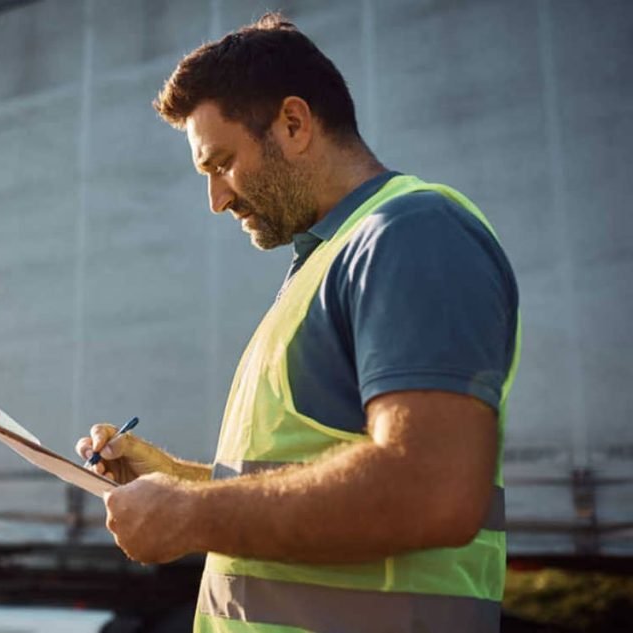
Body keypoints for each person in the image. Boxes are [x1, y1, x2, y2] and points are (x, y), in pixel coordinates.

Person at [75, 12, 520, 633]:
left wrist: (192, 515)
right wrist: (178, 482)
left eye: (222, 163)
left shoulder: (413, 234)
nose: (218, 200)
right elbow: (317, 474)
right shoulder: (324, 262)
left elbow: (432, 489)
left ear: (293, 123)